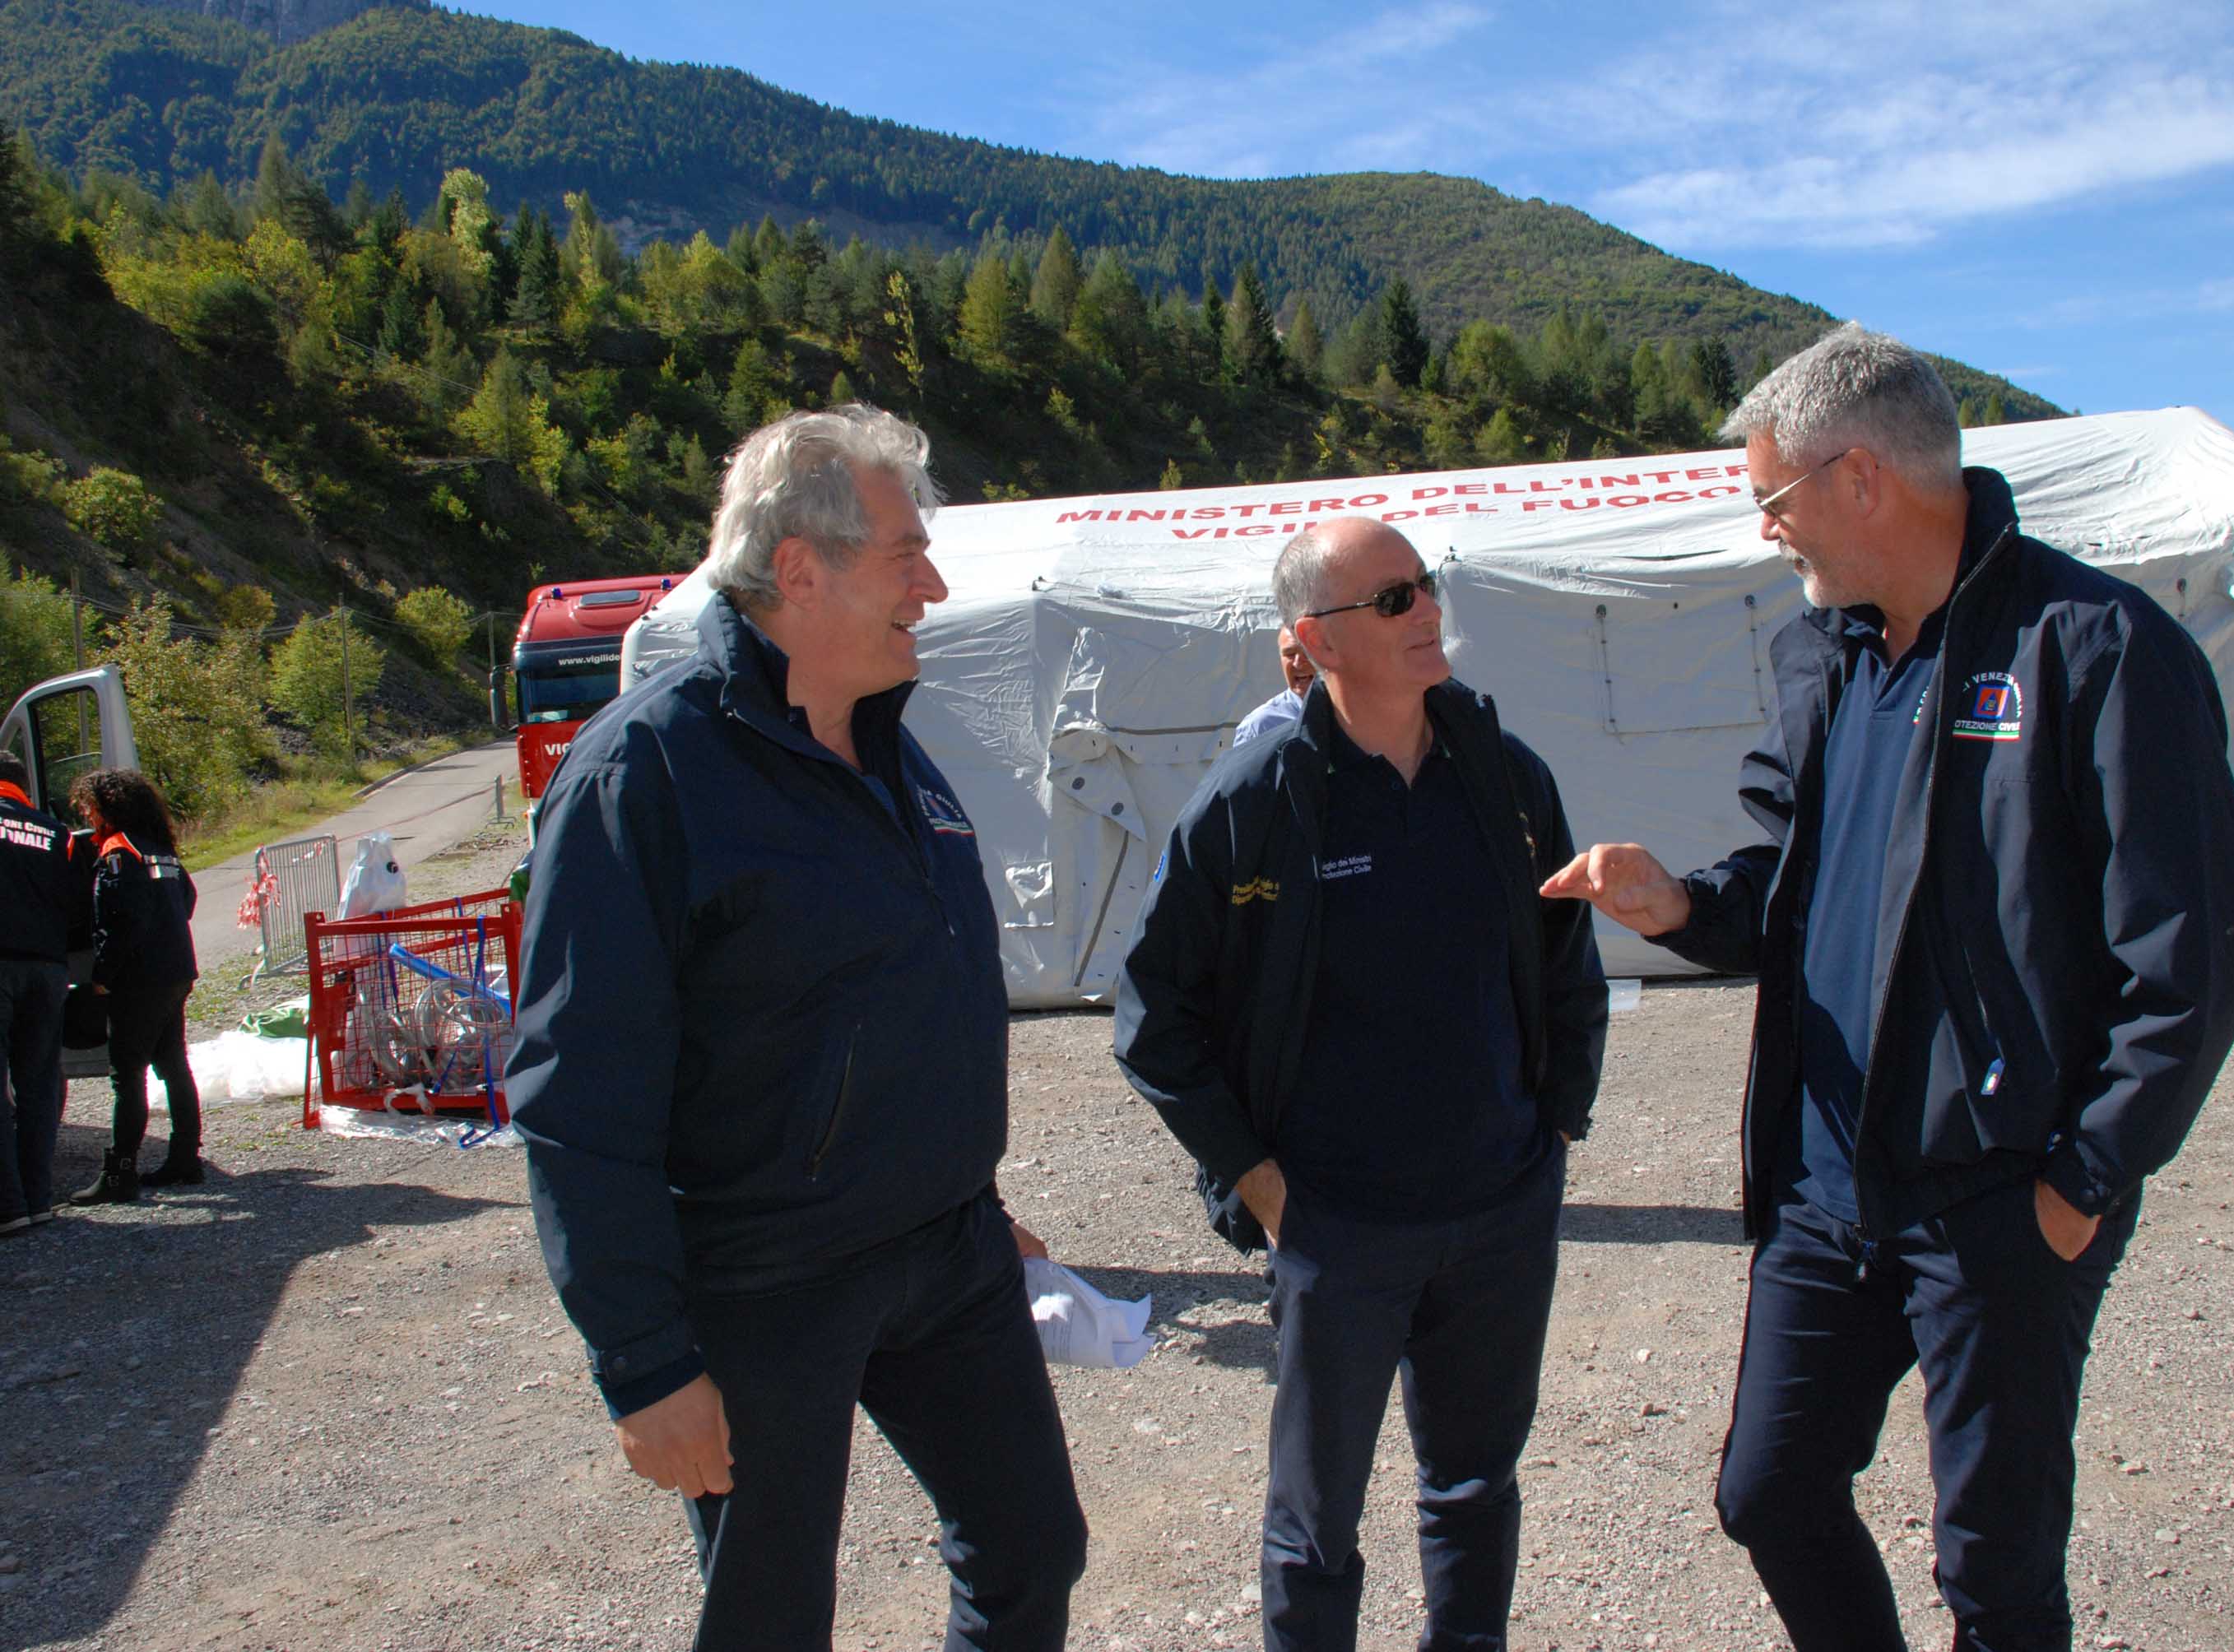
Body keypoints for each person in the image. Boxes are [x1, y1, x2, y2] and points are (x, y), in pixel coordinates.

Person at [1544, 324, 2234, 1652]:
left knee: (1992, 1570)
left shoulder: (2095, 648)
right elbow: (1788, 883)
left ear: (1859, 478)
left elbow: (2196, 952)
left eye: (1773, 498)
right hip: (1827, 1192)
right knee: (1769, 1490)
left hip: (2002, 1199)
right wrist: (1685, 906)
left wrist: (2082, 1181)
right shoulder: (1821, 657)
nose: (1768, 533)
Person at [506, 406, 1085, 1651]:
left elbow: (906, 988)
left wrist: (954, 1172)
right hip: (765, 1278)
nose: (932, 588)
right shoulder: (643, 777)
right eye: (904, 558)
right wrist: (646, 1364)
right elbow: (574, 1089)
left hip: (947, 1246)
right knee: (770, 1619)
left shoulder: (892, 747)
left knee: (1034, 1550)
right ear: (800, 568)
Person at [1116, 517, 1608, 1652]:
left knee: (1476, 1486)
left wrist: (1555, 1127)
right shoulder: (1257, 799)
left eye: (1424, 587)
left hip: (1499, 1208)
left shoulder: (1505, 774)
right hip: (1339, 1226)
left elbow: (1566, 959)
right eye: (1392, 601)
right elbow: (1152, 1013)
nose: (1426, 610)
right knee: (1315, 1522)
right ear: (1316, 642)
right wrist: (1259, 1180)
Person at [65, 768, 204, 1205]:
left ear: (107, 808)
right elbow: (188, 899)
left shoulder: (116, 853)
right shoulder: (160, 849)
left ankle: (119, 1173)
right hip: (176, 971)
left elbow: (118, 923)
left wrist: (103, 978)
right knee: (173, 1065)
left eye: (89, 807)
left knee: (127, 1076)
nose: (87, 814)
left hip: (139, 980)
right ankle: (185, 1158)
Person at [0, 750, 82, 1233]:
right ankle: (39, 1199)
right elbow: (76, 905)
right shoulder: (55, 832)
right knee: (39, 1084)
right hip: (48, 970)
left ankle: (8, 1207)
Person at [1228, 626, 1315, 749]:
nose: (1298, 663)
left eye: (1307, 653)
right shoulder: (1260, 727)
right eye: (1290, 654)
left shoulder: (1348, 715)